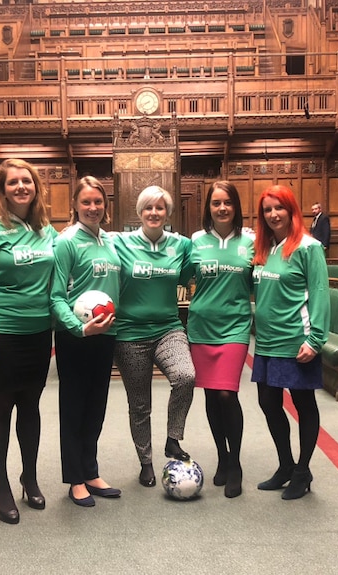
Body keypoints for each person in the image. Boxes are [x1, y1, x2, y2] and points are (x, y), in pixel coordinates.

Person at [0, 159, 57, 524]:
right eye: (14, 182)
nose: (21, 187)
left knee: (31, 406)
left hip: (37, 332)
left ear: (36, 188)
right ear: (2, 189)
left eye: (27, 181)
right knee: (1, 406)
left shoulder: (46, 230)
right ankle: (1, 486)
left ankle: (29, 477)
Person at [112, 185, 196, 488]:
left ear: (168, 213)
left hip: (168, 329)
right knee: (140, 404)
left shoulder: (182, 245)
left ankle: (173, 439)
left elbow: (188, 275)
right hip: (129, 334)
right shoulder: (119, 242)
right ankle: (145, 462)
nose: (154, 213)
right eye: (148, 207)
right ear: (139, 212)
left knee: (185, 376)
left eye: (160, 208)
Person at [251, 185, 330, 500]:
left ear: (292, 210)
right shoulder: (264, 248)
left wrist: (316, 339)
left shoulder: (309, 247)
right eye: (267, 210)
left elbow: (321, 293)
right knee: (268, 403)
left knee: (303, 405)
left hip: (297, 342)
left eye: (278, 208)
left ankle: (302, 470)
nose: (273, 215)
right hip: (267, 343)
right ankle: (286, 465)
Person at [50, 176, 122, 508]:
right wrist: (78, 330)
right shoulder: (66, 242)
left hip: (105, 337)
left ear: (105, 205)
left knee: (96, 408)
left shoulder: (110, 241)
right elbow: (55, 298)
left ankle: (91, 471)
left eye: (98, 202)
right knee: (74, 408)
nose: (93, 208)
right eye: (86, 202)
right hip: (76, 338)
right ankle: (75, 479)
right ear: (75, 206)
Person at [187, 181, 254, 498]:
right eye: (216, 203)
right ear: (208, 208)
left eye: (227, 202)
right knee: (211, 396)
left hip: (236, 326)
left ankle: (236, 463)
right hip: (202, 326)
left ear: (236, 206)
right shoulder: (196, 241)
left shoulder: (251, 241)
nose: (222, 208)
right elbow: (178, 275)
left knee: (228, 394)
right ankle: (222, 457)